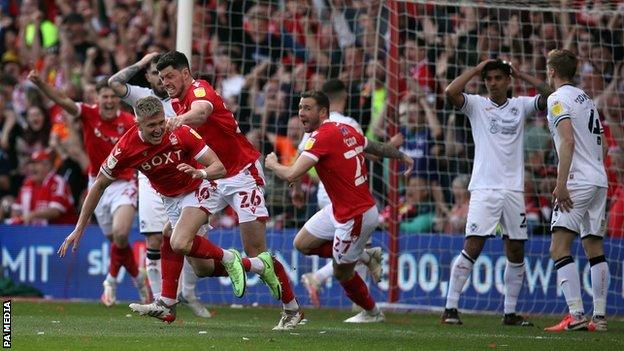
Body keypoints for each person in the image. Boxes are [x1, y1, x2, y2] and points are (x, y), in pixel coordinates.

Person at [132, 51, 299, 330]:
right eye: (162, 78)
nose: (166, 82)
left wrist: (180, 119)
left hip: (242, 173)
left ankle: (292, 309)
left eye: (170, 76)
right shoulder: (175, 101)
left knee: (257, 252)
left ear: (185, 73)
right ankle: (168, 303)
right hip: (211, 176)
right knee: (191, 255)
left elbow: (201, 113)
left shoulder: (200, 89)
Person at [57, 96, 249, 323]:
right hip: (171, 199)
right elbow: (98, 184)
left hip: (199, 187)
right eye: (151, 125)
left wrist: (202, 173)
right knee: (201, 268)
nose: (159, 129)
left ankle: (228, 258)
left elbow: (218, 166)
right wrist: (79, 228)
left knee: (177, 241)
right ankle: (250, 265)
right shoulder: (126, 148)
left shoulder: (180, 131)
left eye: (161, 122)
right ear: (137, 124)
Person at [265, 90, 414, 323]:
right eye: (300, 107)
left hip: (355, 215)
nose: (301, 113)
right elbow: (374, 147)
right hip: (339, 208)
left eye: (307, 108)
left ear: (323, 112)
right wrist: (400, 154)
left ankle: (372, 312)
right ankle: (366, 256)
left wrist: (273, 164)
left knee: (341, 272)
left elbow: (292, 173)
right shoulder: (346, 129)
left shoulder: (321, 137)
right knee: (302, 243)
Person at [442, 59, 552, 326]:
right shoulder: (478, 105)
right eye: (489, 78)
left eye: (498, 78)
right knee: (473, 245)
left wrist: (521, 73)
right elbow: (450, 92)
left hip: (514, 190)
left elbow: (550, 95)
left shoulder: (520, 106)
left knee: (515, 251)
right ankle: (450, 308)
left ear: (508, 80)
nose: (493, 83)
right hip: (484, 188)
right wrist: (476, 69)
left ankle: (510, 313)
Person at [28, 71, 148, 307]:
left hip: (124, 183)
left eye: (113, 96)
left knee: (121, 234)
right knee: (117, 242)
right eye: (105, 96)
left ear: (118, 99)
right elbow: (62, 101)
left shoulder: (128, 121)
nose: (109, 100)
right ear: (98, 98)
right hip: (97, 185)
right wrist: (40, 83)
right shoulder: (88, 114)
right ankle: (138, 278)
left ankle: (111, 281)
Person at [108, 52, 210, 318]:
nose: (161, 80)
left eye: (165, 75)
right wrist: (140, 63)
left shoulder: (184, 98)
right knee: (158, 236)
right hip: (153, 175)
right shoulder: (141, 96)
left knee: (188, 242)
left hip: (186, 172)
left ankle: (188, 292)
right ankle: (161, 299)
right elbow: (114, 82)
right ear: (149, 76)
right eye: (155, 74)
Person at [296, 79, 382, 308]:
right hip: (348, 197)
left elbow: (301, 153)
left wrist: (295, 186)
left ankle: (329, 281)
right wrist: (390, 148)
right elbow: (364, 152)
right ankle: (362, 305)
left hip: (327, 196)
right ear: (344, 96)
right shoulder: (349, 124)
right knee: (351, 251)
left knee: (347, 250)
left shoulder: (314, 128)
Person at [543, 49, 610, 332]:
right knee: (593, 246)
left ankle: (577, 315)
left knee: (558, 247)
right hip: (599, 179)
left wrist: (561, 184)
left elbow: (567, 140)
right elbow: (603, 144)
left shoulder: (557, 99)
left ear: (552, 71)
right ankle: (600, 317)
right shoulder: (586, 99)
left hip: (578, 181)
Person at [10, 149, 77, 225]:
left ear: (48, 166)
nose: (32, 168)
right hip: (35, 231)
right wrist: (17, 220)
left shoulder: (57, 182)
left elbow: (55, 211)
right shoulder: (27, 184)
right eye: (31, 164)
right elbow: (16, 209)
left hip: (62, 231)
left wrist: (32, 215)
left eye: (36, 164)